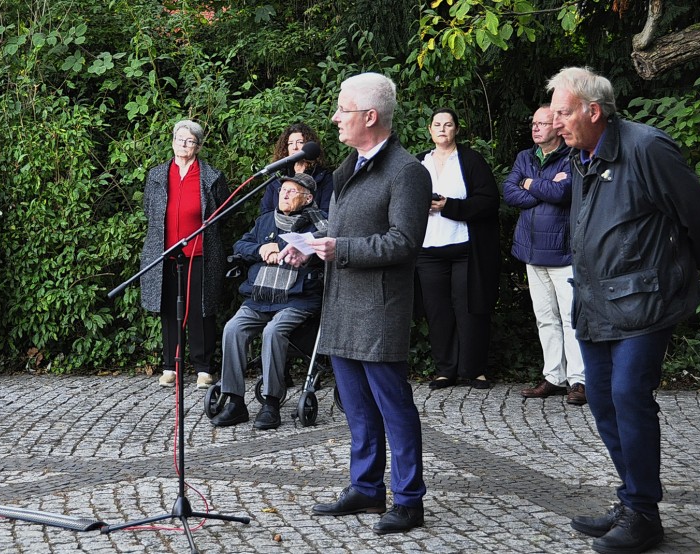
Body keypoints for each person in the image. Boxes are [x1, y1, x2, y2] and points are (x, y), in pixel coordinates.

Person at [547, 67, 700, 554]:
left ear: (593, 111)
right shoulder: (583, 156)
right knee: (602, 401)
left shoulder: (646, 147)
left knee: (628, 395)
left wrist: (681, 270)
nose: (555, 122)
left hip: (645, 302)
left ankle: (643, 513)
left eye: (562, 112)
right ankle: (632, 500)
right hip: (595, 302)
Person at [281, 72, 431, 535]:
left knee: (393, 406)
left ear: (370, 116)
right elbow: (341, 226)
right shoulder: (350, 166)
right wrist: (310, 244)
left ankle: (408, 499)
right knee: (356, 406)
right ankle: (366, 486)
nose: (335, 117)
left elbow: (404, 242)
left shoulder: (407, 171)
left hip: (379, 309)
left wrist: (338, 248)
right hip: (341, 306)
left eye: (343, 108)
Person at [211, 173, 328, 430]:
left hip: (298, 298)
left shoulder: (320, 226)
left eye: (292, 191)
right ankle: (235, 402)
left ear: (308, 198)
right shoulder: (265, 221)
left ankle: (271, 403)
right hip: (260, 296)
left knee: (273, 331)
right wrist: (260, 249)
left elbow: (328, 250)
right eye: (282, 190)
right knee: (233, 328)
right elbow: (241, 245)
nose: (284, 194)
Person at [503, 105, 586, 406]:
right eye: (533, 122)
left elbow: (564, 194)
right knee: (545, 317)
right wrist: (544, 186)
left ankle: (579, 381)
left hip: (563, 252)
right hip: (531, 250)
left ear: (557, 126)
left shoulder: (572, 156)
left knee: (570, 317)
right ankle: (554, 376)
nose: (535, 128)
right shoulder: (525, 157)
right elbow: (510, 192)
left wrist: (531, 184)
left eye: (542, 123)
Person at [140, 119, 229, 389]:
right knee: (169, 309)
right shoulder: (156, 175)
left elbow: (223, 213)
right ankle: (171, 366)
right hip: (165, 254)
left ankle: (203, 368)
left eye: (190, 141)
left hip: (200, 253)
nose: (184, 145)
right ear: (172, 142)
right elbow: (149, 211)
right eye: (180, 139)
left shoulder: (211, 176)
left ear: (198, 146)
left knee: (201, 311)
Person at [416, 108, 500, 390]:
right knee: (438, 312)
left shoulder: (469, 160)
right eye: (437, 124)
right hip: (428, 250)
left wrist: (449, 206)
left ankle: (474, 370)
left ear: (456, 130)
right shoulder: (420, 163)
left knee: (469, 309)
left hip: (465, 247)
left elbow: (489, 201)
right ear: (429, 130)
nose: (442, 129)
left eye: (448, 124)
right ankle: (445, 370)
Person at [259, 123, 334, 214]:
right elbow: (266, 211)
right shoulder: (277, 175)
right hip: (277, 226)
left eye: (300, 142)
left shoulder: (323, 177)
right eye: (290, 143)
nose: (295, 147)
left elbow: (326, 212)